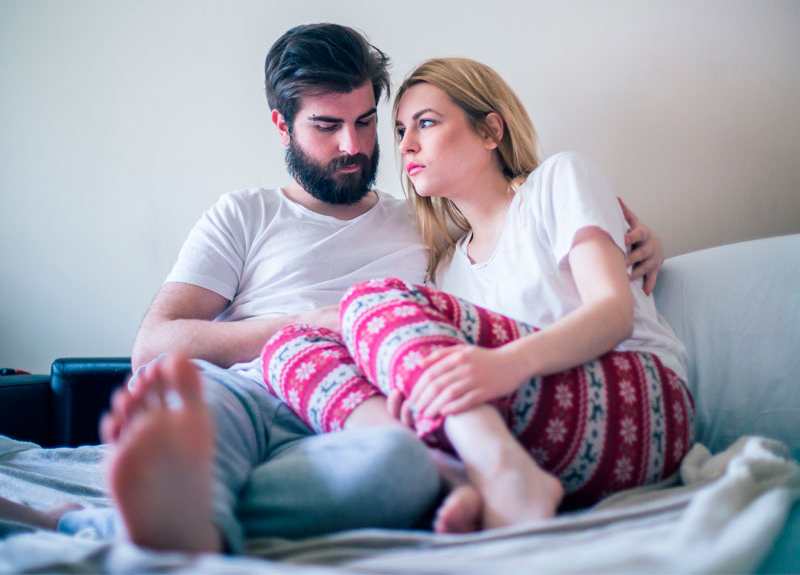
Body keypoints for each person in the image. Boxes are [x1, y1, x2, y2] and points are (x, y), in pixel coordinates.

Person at [0, 25, 663, 552]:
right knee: (196, 417)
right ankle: (181, 506)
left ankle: (161, 518)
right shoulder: (245, 213)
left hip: (362, 409)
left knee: (401, 471)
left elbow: (519, 240)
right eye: (327, 126)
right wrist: (312, 322)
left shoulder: (428, 222)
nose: (356, 144)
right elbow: (154, 346)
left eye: (369, 121)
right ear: (281, 126)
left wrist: (639, 240)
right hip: (248, 387)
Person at [262, 57, 693, 534]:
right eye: (401, 129)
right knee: (290, 347)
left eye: (425, 123)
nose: (405, 145)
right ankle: (457, 475)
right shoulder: (445, 270)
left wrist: (500, 366)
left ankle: (501, 471)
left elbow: (615, 315)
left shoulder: (557, 182)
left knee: (371, 299)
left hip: (643, 405)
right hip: (533, 433)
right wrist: (417, 387)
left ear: (491, 131)